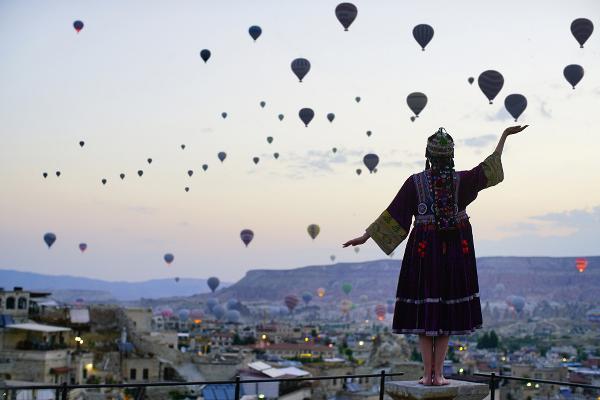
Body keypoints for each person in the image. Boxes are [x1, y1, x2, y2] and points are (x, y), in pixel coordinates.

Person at [343, 125, 528, 386]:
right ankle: (438, 374)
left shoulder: (415, 183)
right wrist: (504, 137)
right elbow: (490, 169)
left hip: (423, 252)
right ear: (451, 156)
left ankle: (427, 373)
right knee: (445, 318)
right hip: (453, 252)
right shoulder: (461, 181)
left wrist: (365, 236)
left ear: (428, 155)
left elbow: (394, 214)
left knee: (425, 314)